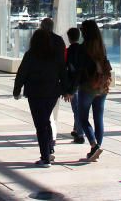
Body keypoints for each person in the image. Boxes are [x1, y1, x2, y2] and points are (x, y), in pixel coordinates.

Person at [13, 28, 67, 168]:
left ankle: (45, 158)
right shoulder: (55, 55)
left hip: (35, 93)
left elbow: (22, 73)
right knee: (46, 120)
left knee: (41, 125)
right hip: (52, 93)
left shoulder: (30, 55)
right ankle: (49, 150)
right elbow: (63, 73)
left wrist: (17, 90)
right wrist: (67, 90)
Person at [76, 20, 112, 162]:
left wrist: (71, 87)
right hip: (102, 86)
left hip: (87, 86)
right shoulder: (101, 47)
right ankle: (96, 148)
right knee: (99, 118)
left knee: (83, 118)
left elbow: (79, 70)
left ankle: (94, 145)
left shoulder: (83, 48)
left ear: (85, 31)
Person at [39, 17, 66, 153]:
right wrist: (66, 86)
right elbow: (62, 65)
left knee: (44, 119)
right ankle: (51, 144)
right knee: (49, 115)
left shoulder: (37, 41)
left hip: (39, 85)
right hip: (54, 84)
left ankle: (48, 148)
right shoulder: (59, 41)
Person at [64, 27, 85, 144]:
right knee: (79, 108)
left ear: (69, 38)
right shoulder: (83, 49)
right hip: (84, 83)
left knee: (76, 109)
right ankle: (76, 128)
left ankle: (80, 133)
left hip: (74, 84)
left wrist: (68, 89)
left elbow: (68, 70)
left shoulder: (69, 51)